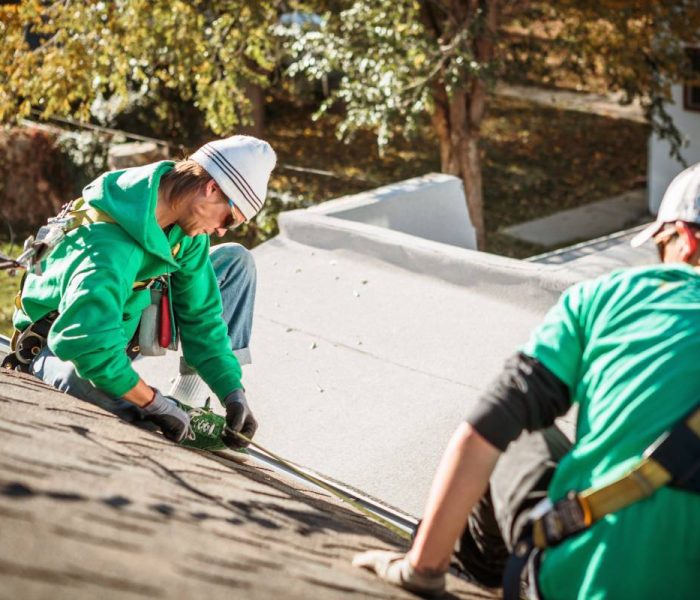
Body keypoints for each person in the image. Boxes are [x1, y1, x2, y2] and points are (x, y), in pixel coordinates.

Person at [354, 163, 700, 599]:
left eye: (660, 245)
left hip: (578, 583)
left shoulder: (605, 298)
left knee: (515, 433)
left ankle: (466, 572)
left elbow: (486, 428)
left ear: (684, 239)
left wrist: (419, 570)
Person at [6, 135, 276, 447]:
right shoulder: (107, 244)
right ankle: (148, 410)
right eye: (229, 218)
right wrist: (153, 404)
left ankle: (186, 402)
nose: (221, 231)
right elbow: (88, 347)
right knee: (93, 387)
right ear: (212, 188)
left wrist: (233, 392)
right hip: (63, 346)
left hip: (121, 330)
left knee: (235, 262)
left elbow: (202, 316)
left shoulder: (185, 230)